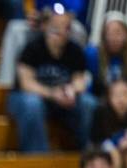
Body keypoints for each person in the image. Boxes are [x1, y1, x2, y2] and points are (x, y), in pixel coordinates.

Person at [7, 8, 95, 153]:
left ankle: (87, 153)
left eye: (66, 27)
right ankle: (37, 159)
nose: (61, 32)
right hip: (28, 97)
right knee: (32, 103)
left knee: (88, 103)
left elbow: (80, 80)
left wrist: (71, 91)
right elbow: (26, 84)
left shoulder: (75, 51)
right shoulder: (32, 48)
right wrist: (52, 93)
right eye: (56, 27)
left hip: (62, 99)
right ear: (46, 27)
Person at [91, 79, 127, 168]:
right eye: (116, 95)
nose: (121, 99)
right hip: (107, 153)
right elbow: (95, 142)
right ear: (109, 97)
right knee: (115, 155)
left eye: (125, 94)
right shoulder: (100, 112)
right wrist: (118, 141)